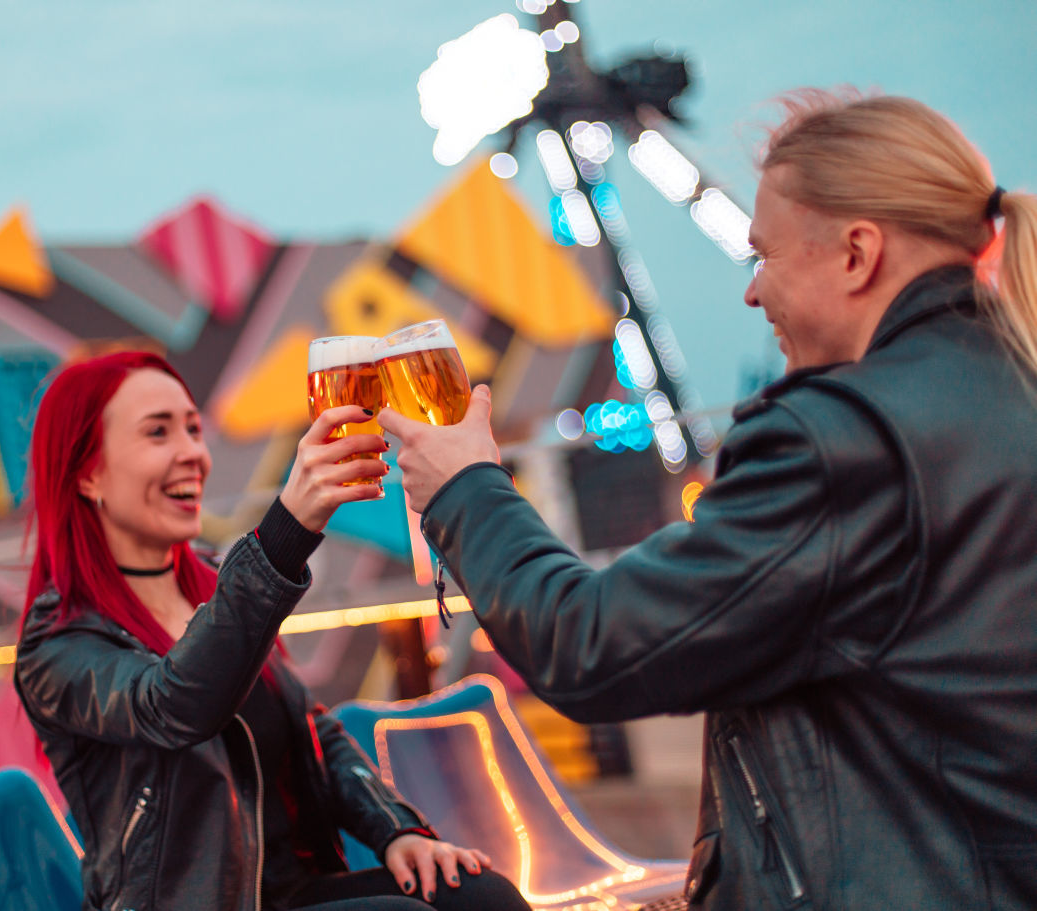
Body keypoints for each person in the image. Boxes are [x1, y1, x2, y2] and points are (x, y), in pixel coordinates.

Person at [378, 91, 1037, 910]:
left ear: (857, 254)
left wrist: (465, 489)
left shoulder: (841, 440)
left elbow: (594, 647)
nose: (753, 294)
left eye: (765, 255)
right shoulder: (1011, 392)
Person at [13, 351, 531, 911]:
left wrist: (398, 831)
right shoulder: (58, 641)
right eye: (157, 433)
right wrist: (286, 534)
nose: (192, 453)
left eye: (192, 428)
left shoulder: (215, 584)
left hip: (294, 891)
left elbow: (314, 731)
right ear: (88, 474)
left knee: (482, 896)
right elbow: (172, 706)